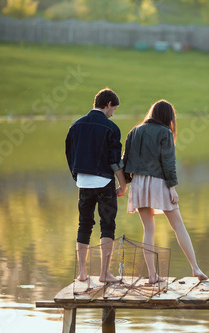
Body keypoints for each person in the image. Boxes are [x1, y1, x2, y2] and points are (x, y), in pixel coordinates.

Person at [123, 100, 207, 282]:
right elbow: (168, 162)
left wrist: (126, 183)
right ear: (168, 117)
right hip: (158, 181)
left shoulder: (134, 131)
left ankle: (153, 275)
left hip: (138, 182)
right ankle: (195, 268)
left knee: (148, 229)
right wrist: (172, 188)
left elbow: (125, 160)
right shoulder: (165, 132)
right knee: (178, 225)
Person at [65, 88, 127, 282]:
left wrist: (78, 176)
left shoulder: (75, 126)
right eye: (113, 109)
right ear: (108, 104)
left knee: (84, 225)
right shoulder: (111, 128)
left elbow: (70, 155)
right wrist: (123, 184)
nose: (112, 113)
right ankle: (104, 274)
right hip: (104, 182)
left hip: (83, 182)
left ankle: (82, 273)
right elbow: (114, 161)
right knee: (107, 225)